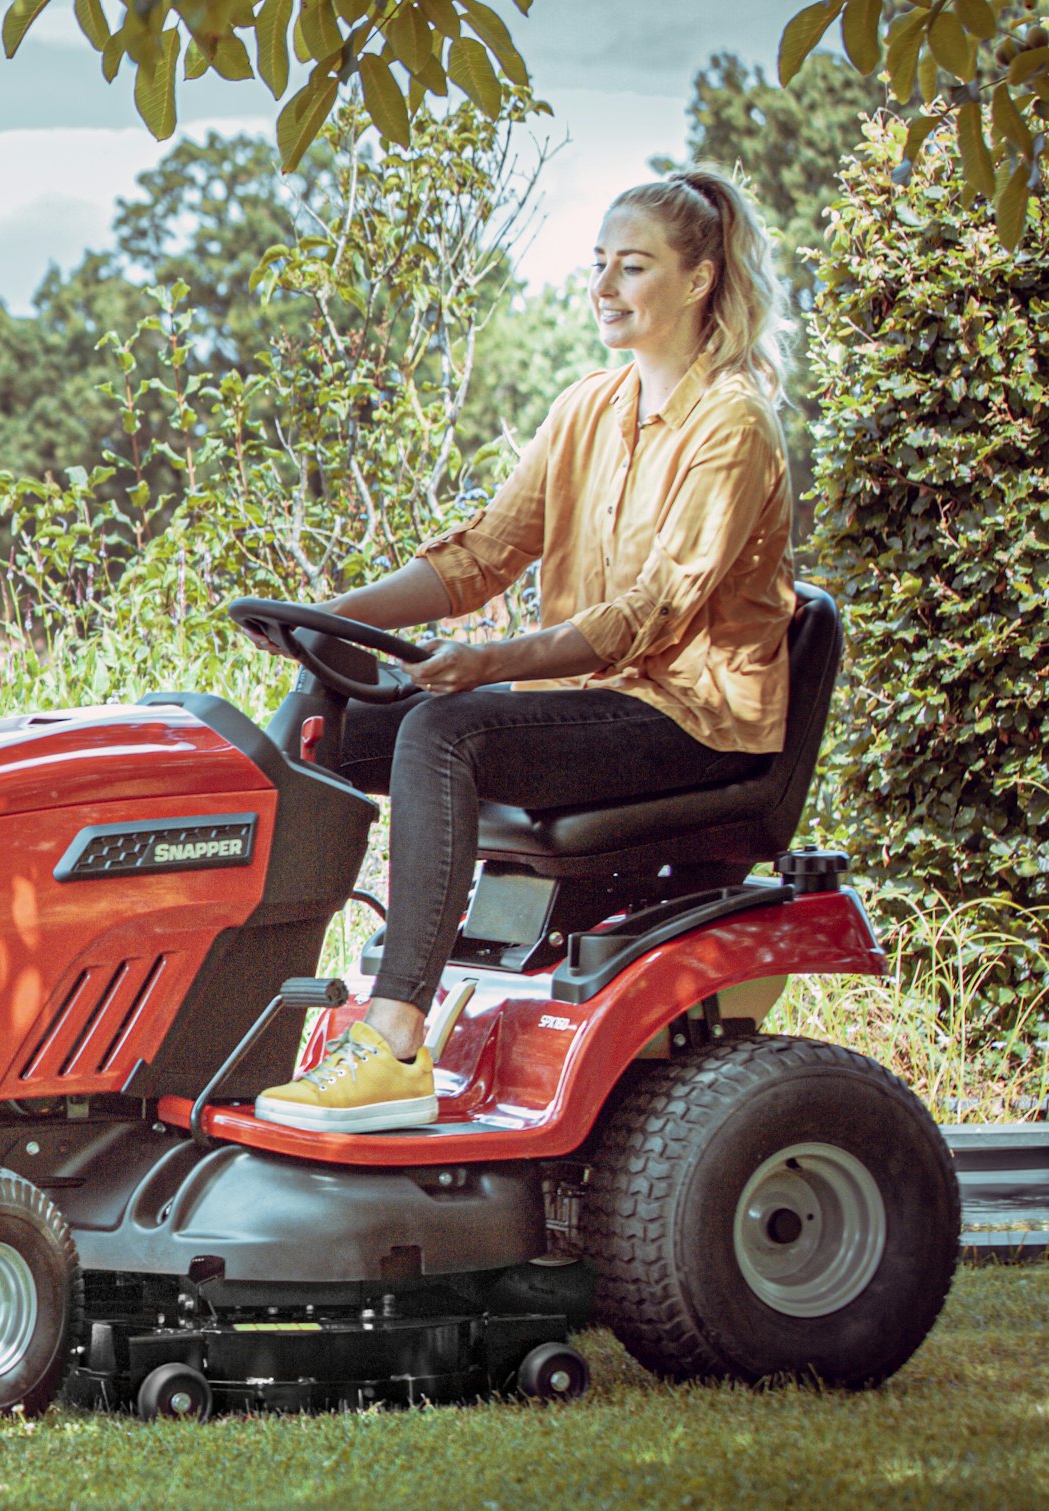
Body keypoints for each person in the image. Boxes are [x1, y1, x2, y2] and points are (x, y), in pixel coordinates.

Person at [248, 167, 798, 1133]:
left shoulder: (734, 427)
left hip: (688, 718)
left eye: (633, 267)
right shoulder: (589, 406)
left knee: (445, 732)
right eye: (599, 266)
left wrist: (492, 664)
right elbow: (483, 556)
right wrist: (321, 615)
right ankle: (237, 1010)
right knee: (327, 715)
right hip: (594, 699)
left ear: (700, 279)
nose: (605, 288)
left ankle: (393, 1043)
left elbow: (652, 616)